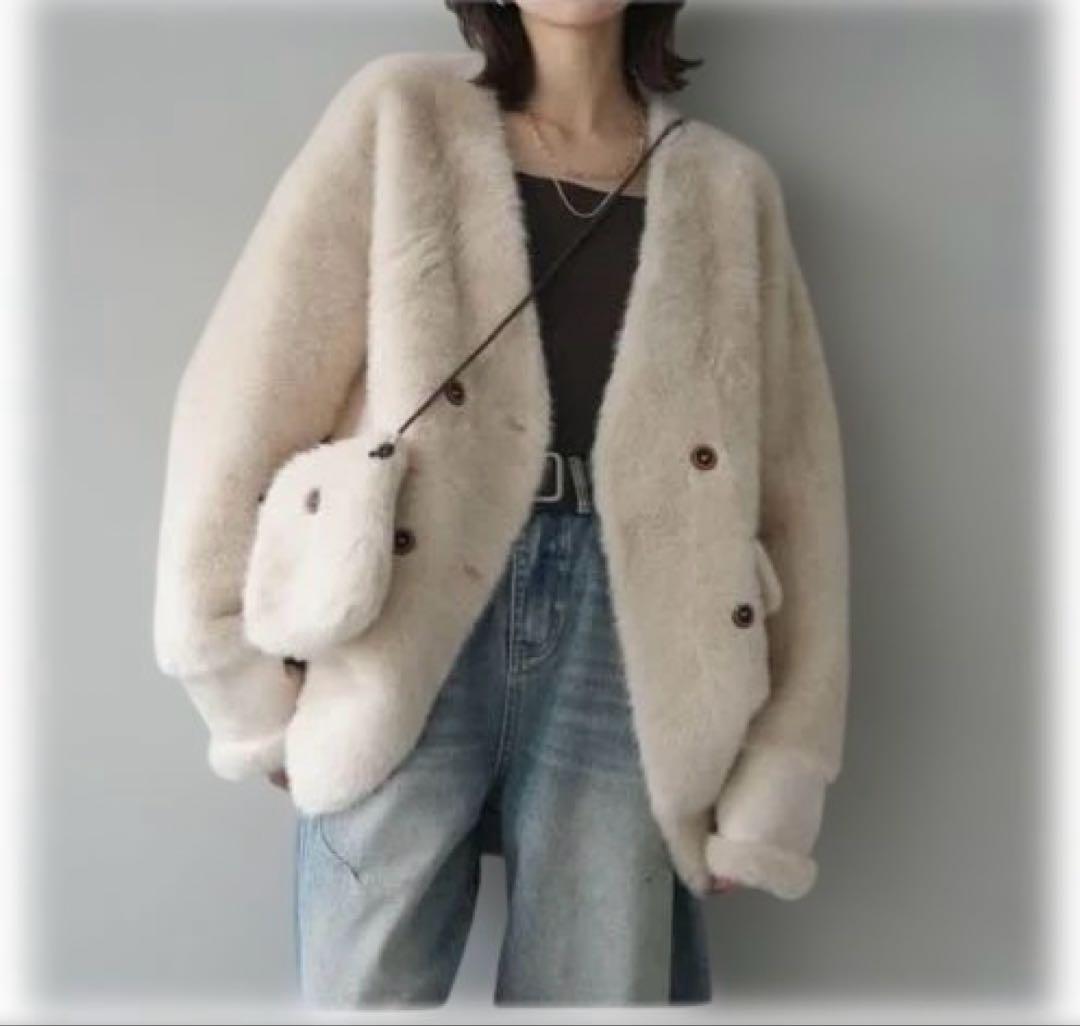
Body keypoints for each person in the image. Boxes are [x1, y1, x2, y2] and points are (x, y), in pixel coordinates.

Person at [152, 0, 851, 1008]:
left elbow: (796, 490)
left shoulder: (727, 186)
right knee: (364, 992)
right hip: (404, 605)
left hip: (636, 636)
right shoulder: (401, 114)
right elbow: (247, 390)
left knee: (594, 990)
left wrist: (783, 762)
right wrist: (236, 673)